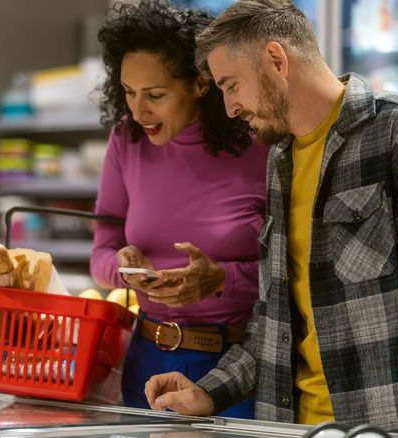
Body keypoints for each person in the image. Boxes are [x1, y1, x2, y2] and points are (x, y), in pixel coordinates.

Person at [144, 1, 398, 437]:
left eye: (232, 86)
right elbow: (275, 321)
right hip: (293, 427)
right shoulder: (280, 160)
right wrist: (209, 393)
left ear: (276, 60)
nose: (230, 108)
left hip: (387, 426)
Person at [89, 0, 270, 419]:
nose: (138, 111)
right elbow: (100, 255)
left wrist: (220, 280)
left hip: (238, 365)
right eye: (129, 93)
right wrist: (127, 271)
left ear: (202, 84)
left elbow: (294, 269)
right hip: (146, 361)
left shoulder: (259, 141)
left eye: (155, 95)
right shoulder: (125, 140)